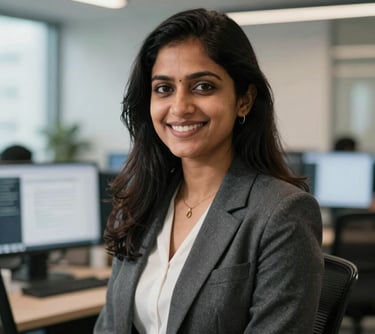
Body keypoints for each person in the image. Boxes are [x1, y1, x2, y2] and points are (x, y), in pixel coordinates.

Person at [94, 8, 323, 334]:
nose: (179, 107)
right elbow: (109, 326)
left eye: (203, 86)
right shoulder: (141, 202)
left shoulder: (280, 213)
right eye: (164, 88)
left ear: (243, 100)